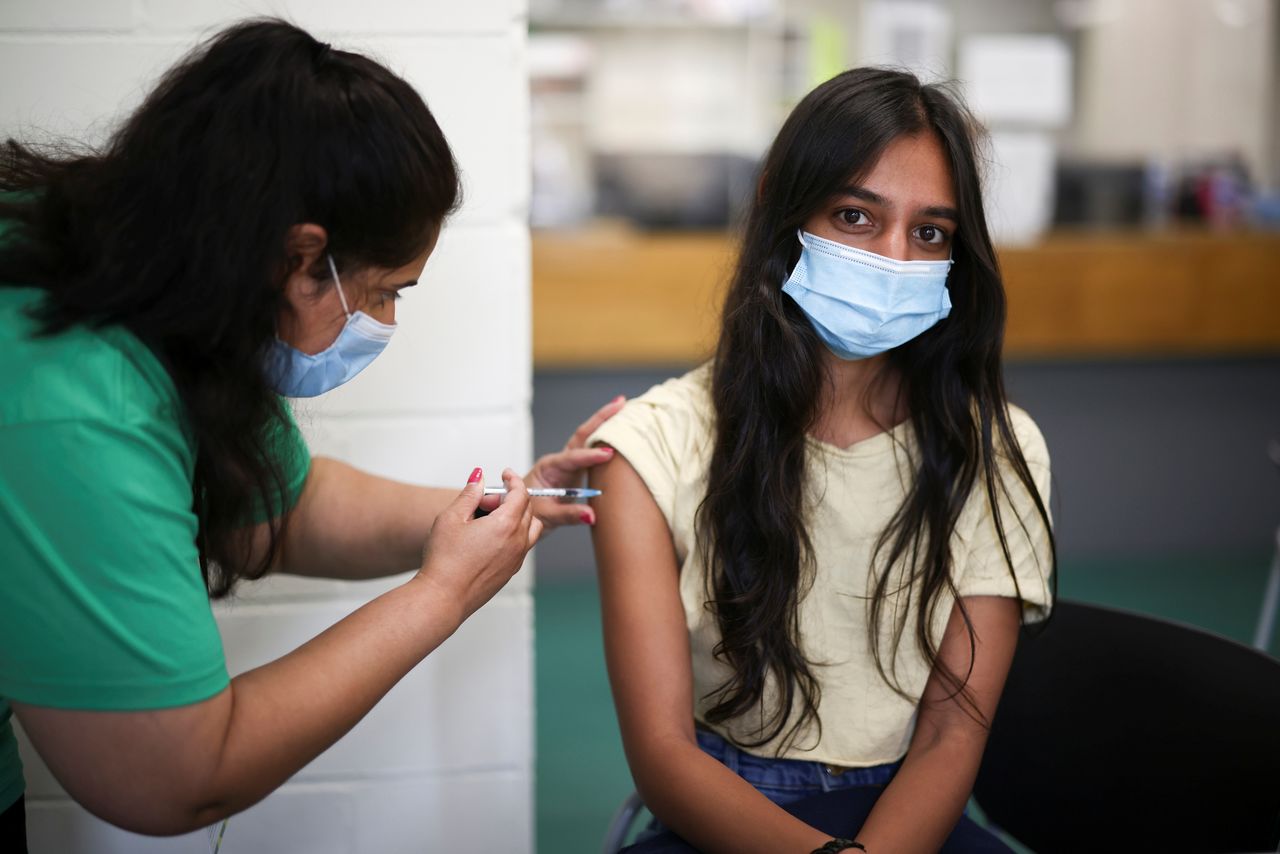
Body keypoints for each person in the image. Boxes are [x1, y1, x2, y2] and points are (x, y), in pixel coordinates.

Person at [0, 19, 619, 849]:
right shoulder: (74, 402)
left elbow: (276, 511)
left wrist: (510, 508)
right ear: (300, 259)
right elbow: (175, 778)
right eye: (387, 291)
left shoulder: (165, 286)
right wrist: (439, 597)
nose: (387, 320)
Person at [588, 67, 1055, 854]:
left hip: (909, 816)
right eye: (855, 216)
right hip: (721, 818)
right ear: (782, 205)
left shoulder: (997, 449)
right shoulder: (648, 451)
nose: (893, 258)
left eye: (930, 232)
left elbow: (949, 733)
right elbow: (664, 756)